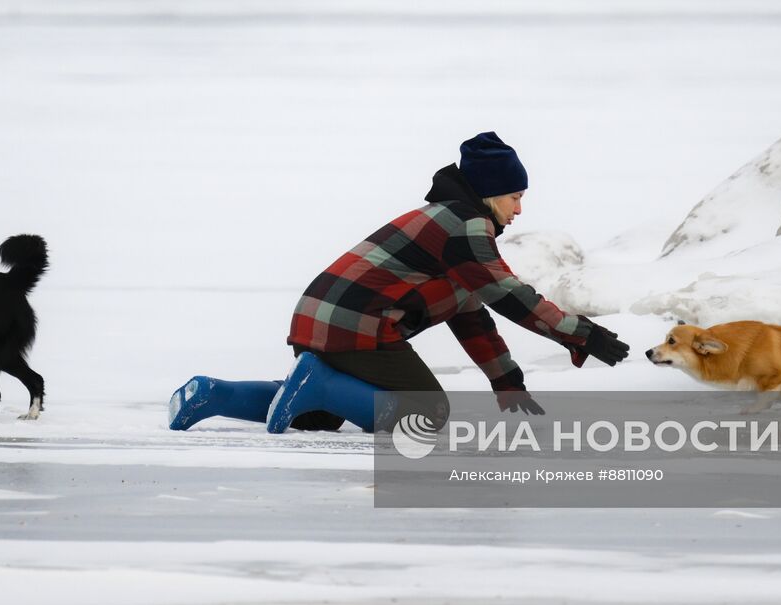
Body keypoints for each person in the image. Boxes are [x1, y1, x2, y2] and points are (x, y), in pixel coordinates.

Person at [168, 132, 630, 433]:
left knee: (319, 415)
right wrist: (581, 332)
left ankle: (212, 393)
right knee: (426, 415)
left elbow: (472, 316)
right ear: (490, 193)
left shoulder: (447, 225)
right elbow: (508, 295)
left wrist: (507, 383)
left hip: (318, 317)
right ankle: (322, 383)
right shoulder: (466, 226)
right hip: (356, 326)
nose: (520, 209)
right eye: (516, 197)